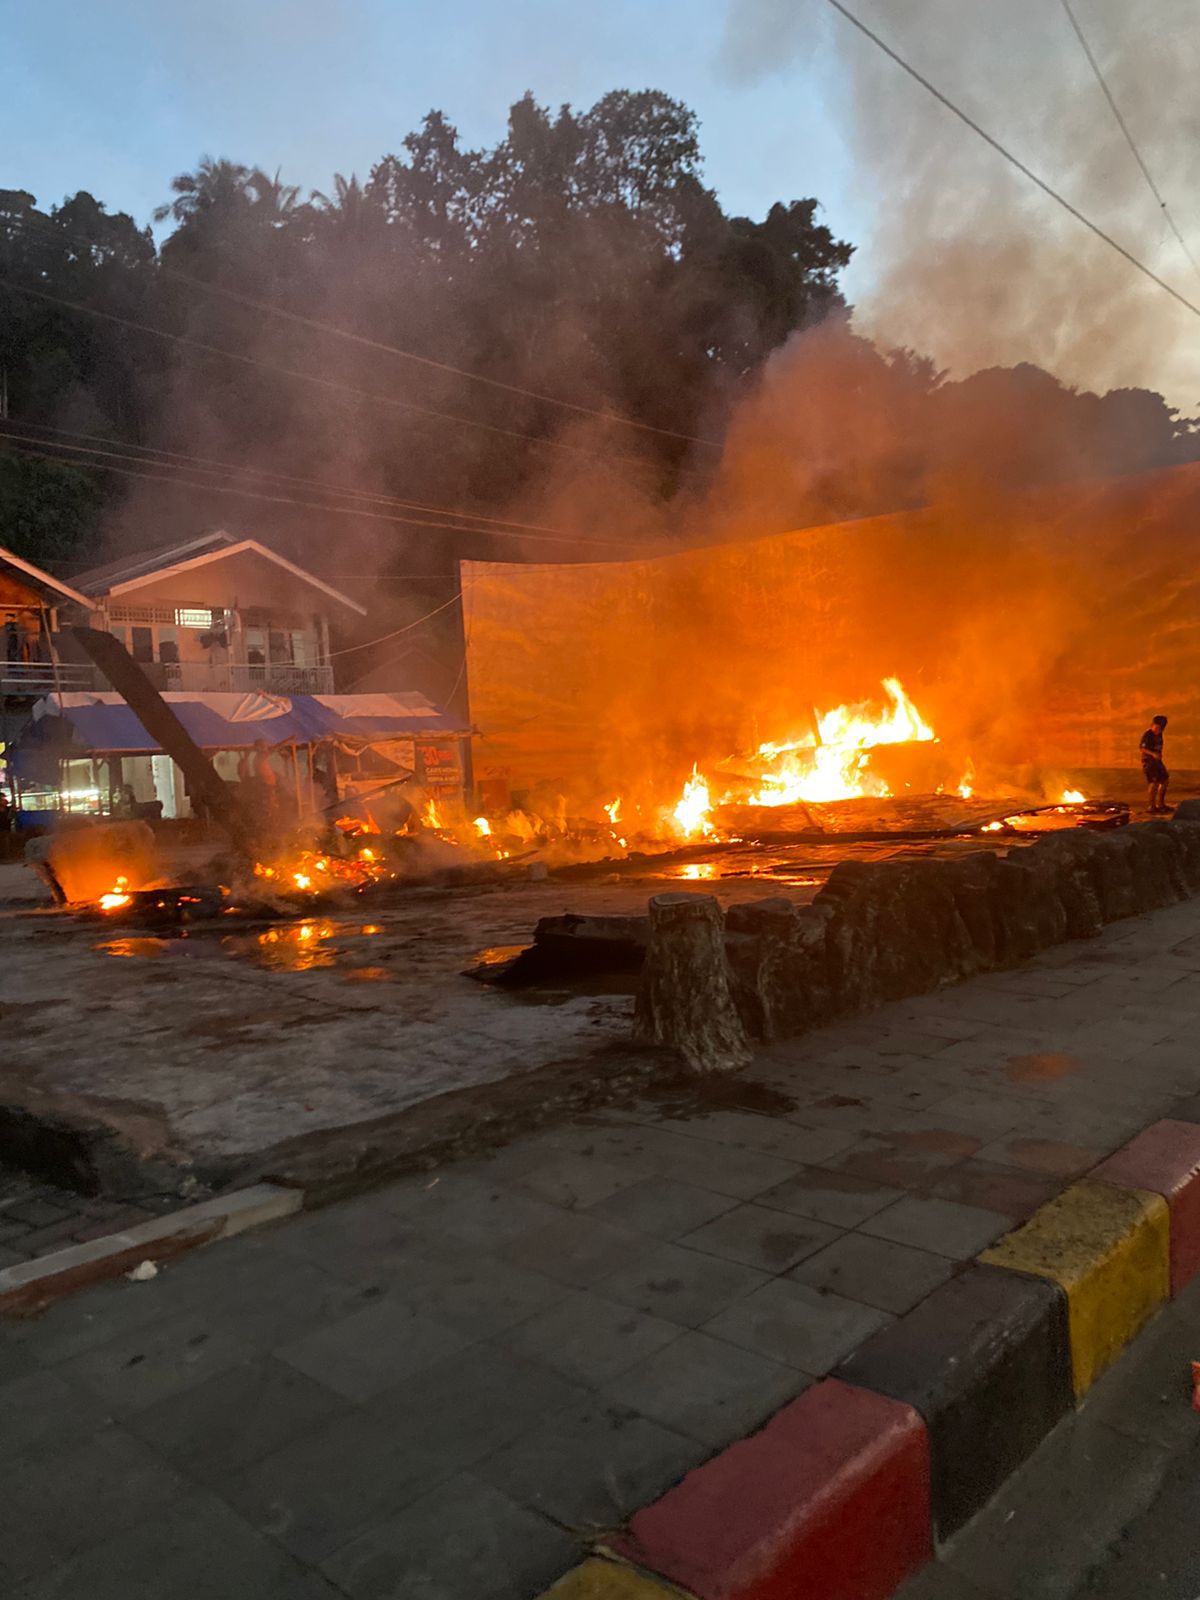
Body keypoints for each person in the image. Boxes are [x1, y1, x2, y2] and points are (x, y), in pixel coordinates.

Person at [1140, 715, 1171, 814]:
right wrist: (1153, 754)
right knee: (1153, 783)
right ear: (1152, 725)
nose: (1157, 730)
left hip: (1157, 762)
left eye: (1159, 728)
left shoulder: (1160, 735)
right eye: (1155, 727)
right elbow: (1142, 748)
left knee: (1165, 780)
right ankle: (1151, 806)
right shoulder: (1148, 735)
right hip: (1149, 761)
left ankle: (1161, 804)